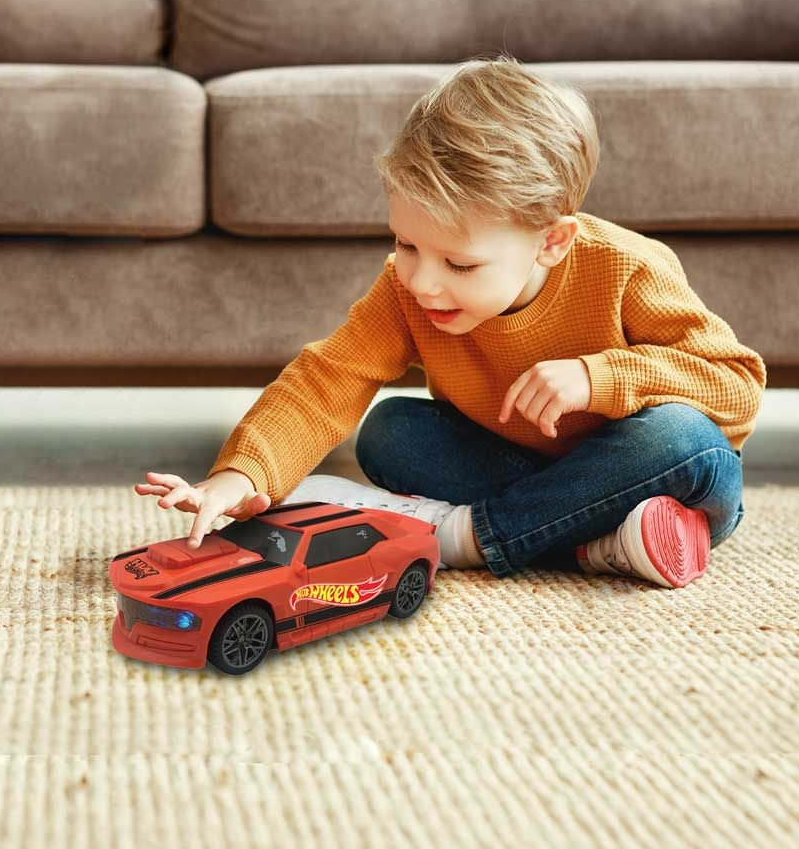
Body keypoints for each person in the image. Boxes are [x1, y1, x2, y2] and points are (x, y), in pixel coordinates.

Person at [135, 54, 766, 588]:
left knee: (684, 437)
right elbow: (328, 379)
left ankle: (472, 537)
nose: (422, 280)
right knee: (390, 432)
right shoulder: (406, 288)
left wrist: (600, 377)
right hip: (523, 472)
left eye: (460, 264)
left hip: (653, 473)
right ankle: (593, 541)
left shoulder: (627, 267)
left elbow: (737, 388)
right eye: (406, 244)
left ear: (552, 242)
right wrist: (239, 475)